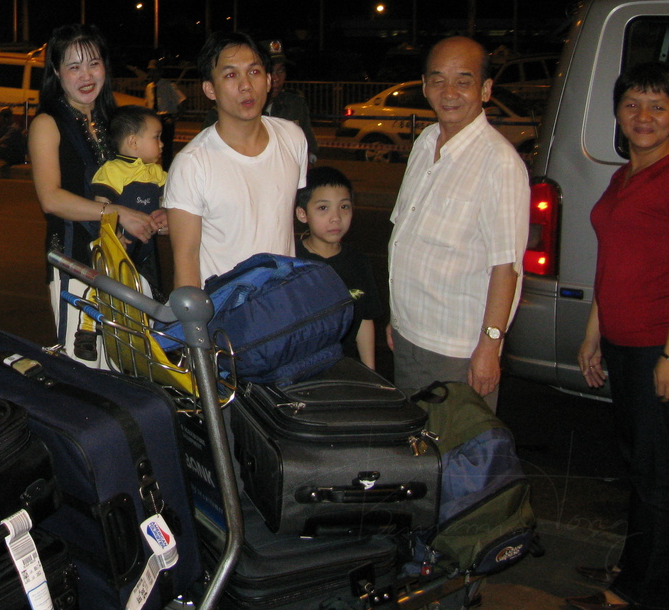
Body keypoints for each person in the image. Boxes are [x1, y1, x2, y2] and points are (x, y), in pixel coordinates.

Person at [572, 61, 669, 610]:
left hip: (656, 345)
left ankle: (645, 593)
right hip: (622, 341)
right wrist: (593, 335)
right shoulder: (624, 177)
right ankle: (635, 565)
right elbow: (611, 263)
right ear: (617, 112)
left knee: (659, 475)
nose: (643, 116)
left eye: (658, 106)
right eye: (633, 104)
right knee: (640, 465)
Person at [386, 36, 528, 411]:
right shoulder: (425, 141)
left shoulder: (499, 163)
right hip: (408, 336)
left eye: (463, 81)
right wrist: (397, 317)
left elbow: (507, 266)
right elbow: (405, 233)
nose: (449, 92)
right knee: (416, 441)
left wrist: (490, 347)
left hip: (457, 351)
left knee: (459, 444)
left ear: (485, 89)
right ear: (424, 86)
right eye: (438, 80)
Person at [29, 23, 163, 355]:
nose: (86, 75)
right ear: (56, 72)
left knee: (138, 363)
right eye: (74, 66)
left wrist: (159, 213)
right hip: (77, 263)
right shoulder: (47, 124)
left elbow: (145, 178)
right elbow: (50, 199)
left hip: (131, 262)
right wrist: (117, 213)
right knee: (87, 364)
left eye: (93, 63)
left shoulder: (116, 121)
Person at [164, 31, 309, 289]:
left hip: (282, 303)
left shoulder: (292, 138)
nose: (246, 85)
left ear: (268, 80)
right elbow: (185, 264)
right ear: (210, 89)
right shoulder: (192, 165)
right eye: (231, 75)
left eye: (254, 72)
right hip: (225, 309)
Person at [295, 166, 380, 370]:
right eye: (323, 208)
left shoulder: (358, 262)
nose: (336, 218)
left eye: (344, 206)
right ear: (302, 213)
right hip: (299, 370)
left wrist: (370, 371)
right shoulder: (291, 260)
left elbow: (364, 319)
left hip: (344, 367)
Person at [91, 105, 167, 295]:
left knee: (150, 298)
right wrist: (113, 231)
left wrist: (166, 214)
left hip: (148, 255)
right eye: (156, 137)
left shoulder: (156, 172)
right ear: (133, 141)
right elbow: (101, 204)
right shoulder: (113, 170)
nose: (162, 144)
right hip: (119, 253)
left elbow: (170, 200)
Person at [265, 55, 318, 164]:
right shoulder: (243, 110)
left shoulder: (294, 105)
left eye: (280, 71)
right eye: (270, 71)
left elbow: (310, 148)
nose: (276, 78)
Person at [145, 63, 184, 168]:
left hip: (165, 118)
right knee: (152, 145)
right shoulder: (149, 87)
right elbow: (148, 103)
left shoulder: (168, 85)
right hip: (154, 118)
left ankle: (167, 169)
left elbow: (181, 99)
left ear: (160, 72)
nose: (152, 74)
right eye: (150, 71)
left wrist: (176, 116)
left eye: (154, 71)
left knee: (166, 147)